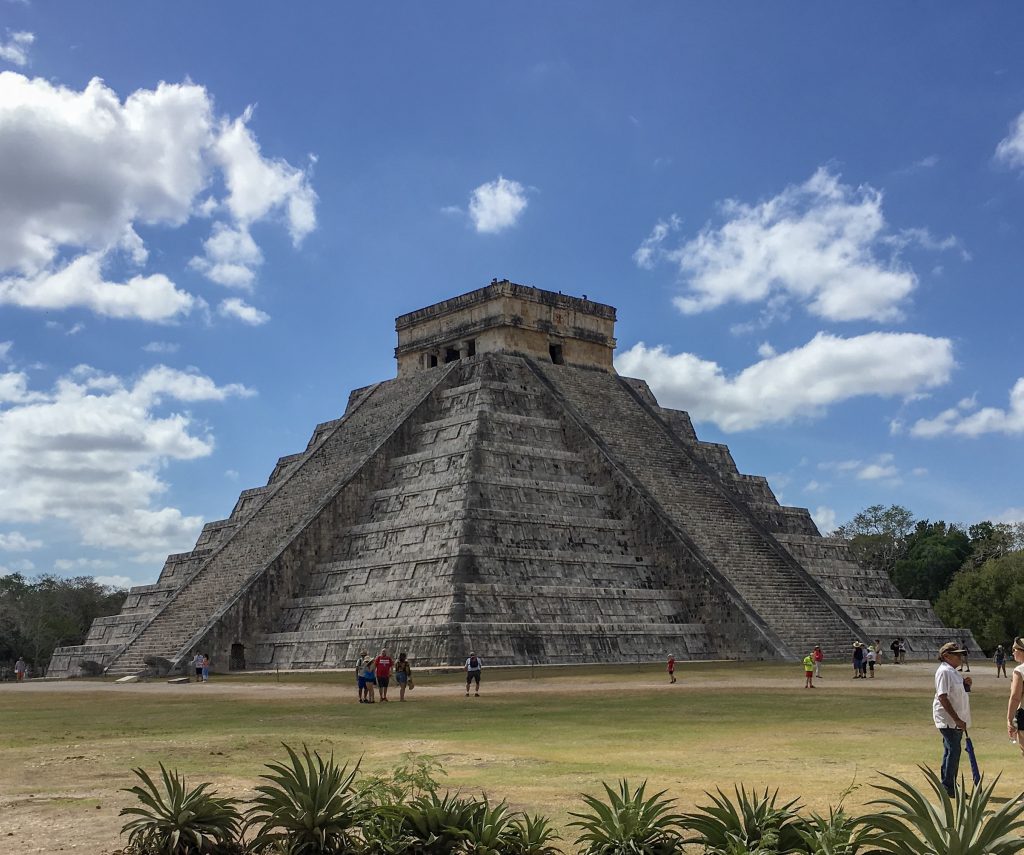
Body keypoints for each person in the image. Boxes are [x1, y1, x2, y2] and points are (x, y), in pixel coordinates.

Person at [933, 642, 972, 797]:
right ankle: (949, 786)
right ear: (946, 656)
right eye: (957, 655)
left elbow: (956, 693)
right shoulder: (944, 671)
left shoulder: (953, 672)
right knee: (954, 750)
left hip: (956, 719)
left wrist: (966, 684)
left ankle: (948, 784)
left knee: (951, 750)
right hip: (948, 719)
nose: (960, 657)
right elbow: (943, 696)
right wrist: (956, 719)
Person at [1005, 638, 1024, 756]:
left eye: (1014, 650)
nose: (1013, 652)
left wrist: (1009, 719)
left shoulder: (1020, 670)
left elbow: (1015, 697)